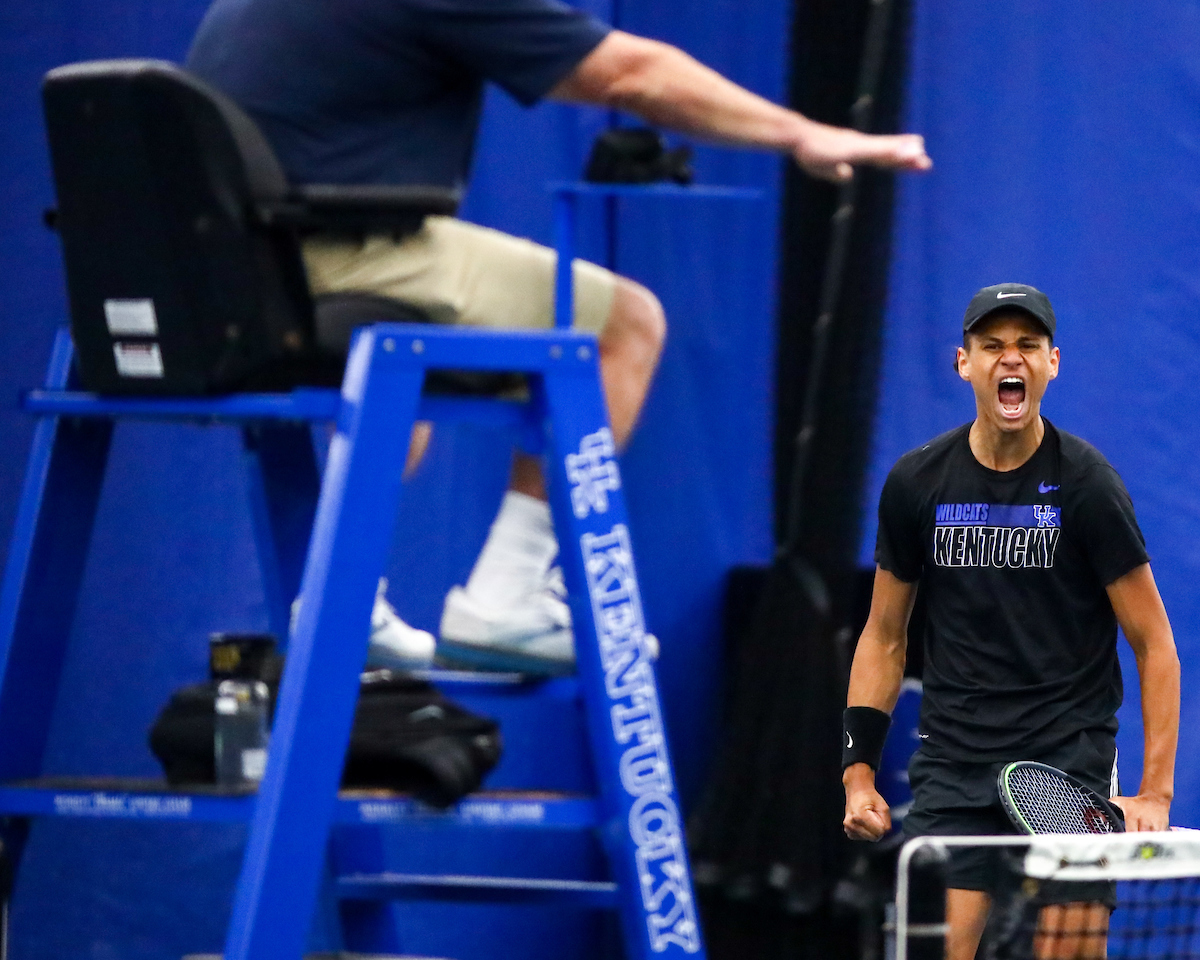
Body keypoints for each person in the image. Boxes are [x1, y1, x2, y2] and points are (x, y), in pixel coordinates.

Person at [186, 0, 933, 674]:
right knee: (624, 323)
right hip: (331, 259)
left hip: (220, 277)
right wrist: (802, 133)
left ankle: (341, 594)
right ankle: (505, 595)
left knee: (411, 348)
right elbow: (632, 75)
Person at [840, 283, 1180, 959]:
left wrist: (1155, 791)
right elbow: (884, 636)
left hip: (1069, 761)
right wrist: (858, 772)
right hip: (956, 761)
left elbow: (1154, 642)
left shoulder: (1087, 485)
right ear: (962, 363)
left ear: (1053, 363)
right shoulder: (916, 483)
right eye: (991, 345)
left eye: (1027, 345)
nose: (1009, 359)